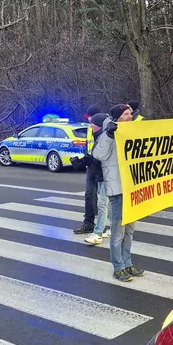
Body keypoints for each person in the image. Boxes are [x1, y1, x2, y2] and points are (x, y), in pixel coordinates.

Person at [93, 104, 143, 282]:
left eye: (131, 113)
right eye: (126, 114)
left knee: (129, 231)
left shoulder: (131, 130)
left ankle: (127, 263)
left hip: (132, 188)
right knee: (118, 231)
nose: (130, 116)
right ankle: (118, 267)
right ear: (117, 117)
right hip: (117, 190)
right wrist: (108, 135)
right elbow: (98, 155)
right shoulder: (109, 132)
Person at [83, 113, 111, 245]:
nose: (90, 125)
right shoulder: (99, 135)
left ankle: (98, 233)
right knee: (107, 203)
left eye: (92, 123)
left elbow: (101, 156)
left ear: (98, 125)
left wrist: (88, 160)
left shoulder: (104, 137)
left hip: (106, 174)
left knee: (102, 203)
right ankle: (112, 228)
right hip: (100, 174)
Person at [74, 104, 102, 235]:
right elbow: (89, 148)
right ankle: (89, 223)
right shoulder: (90, 129)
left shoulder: (108, 129)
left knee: (105, 199)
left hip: (104, 169)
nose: (88, 121)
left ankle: (113, 223)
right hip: (92, 167)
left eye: (89, 117)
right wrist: (82, 161)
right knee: (89, 194)